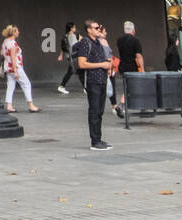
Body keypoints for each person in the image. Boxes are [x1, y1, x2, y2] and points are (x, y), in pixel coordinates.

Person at [73, 20, 114, 150]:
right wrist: (101, 65)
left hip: (102, 80)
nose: (99, 30)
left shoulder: (98, 43)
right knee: (94, 110)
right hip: (93, 81)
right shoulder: (85, 43)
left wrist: (107, 65)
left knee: (100, 111)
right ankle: (95, 141)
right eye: (96, 28)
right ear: (89, 30)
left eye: (100, 28)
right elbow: (82, 63)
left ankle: (98, 139)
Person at [0, 25, 39, 112]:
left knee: (10, 86)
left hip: (8, 68)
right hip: (16, 67)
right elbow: (13, 58)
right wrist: (16, 71)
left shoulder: (5, 41)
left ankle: (9, 106)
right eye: (17, 31)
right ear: (13, 33)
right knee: (26, 84)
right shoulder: (13, 44)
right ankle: (31, 105)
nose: (18, 32)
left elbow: (2, 53)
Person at [116, 21, 144, 116]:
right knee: (132, 87)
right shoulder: (135, 40)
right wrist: (142, 69)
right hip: (132, 67)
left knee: (128, 86)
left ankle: (124, 105)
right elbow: (138, 56)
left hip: (122, 66)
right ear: (133, 30)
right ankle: (122, 105)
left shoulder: (119, 40)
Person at [58, 22, 81, 92]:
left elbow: (63, 47)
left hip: (69, 56)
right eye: (74, 27)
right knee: (73, 71)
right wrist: (80, 40)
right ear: (71, 28)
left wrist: (61, 55)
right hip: (74, 56)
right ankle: (62, 86)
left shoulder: (66, 35)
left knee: (76, 71)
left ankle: (62, 86)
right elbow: (75, 46)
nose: (75, 28)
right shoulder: (72, 36)